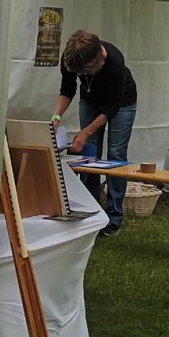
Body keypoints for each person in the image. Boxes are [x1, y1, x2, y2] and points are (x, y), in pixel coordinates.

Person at [53, 29, 138, 235]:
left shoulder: (114, 62)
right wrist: (55, 118)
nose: (82, 75)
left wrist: (86, 132)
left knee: (116, 155)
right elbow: (67, 89)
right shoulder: (71, 58)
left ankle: (113, 218)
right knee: (88, 155)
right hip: (90, 100)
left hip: (122, 103)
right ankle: (91, 212)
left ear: (99, 58)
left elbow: (112, 108)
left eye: (86, 72)